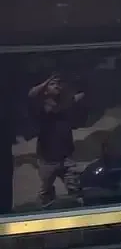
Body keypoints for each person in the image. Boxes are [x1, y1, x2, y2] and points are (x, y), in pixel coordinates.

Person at [28, 73, 84, 207]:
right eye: (52, 84)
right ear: (45, 90)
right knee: (46, 190)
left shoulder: (65, 103)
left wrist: (66, 87)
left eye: (58, 83)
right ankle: (46, 210)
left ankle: (80, 209)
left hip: (66, 156)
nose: (56, 86)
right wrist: (46, 81)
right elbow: (32, 94)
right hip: (47, 158)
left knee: (75, 187)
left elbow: (81, 95)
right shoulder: (40, 106)